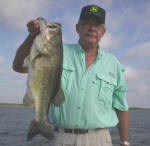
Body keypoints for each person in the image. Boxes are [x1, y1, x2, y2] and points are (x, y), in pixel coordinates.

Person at [13, 5, 130, 146]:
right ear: (77, 28)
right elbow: (18, 66)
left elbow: (121, 107)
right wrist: (31, 37)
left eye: (97, 25)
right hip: (63, 138)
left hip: (100, 139)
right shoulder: (57, 50)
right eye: (86, 23)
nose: (92, 28)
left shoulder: (114, 64)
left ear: (103, 32)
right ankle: (39, 121)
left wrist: (124, 142)